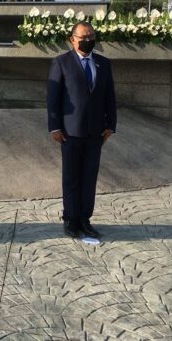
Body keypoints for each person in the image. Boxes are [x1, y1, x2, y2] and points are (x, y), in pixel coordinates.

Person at [47, 21, 116, 239]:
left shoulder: (103, 64)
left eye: (91, 36)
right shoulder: (61, 62)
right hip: (70, 131)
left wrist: (110, 125)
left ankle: (85, 219)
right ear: (72, 39)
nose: (88, 40)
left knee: (89, 176)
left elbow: (109, 96)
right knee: (71, 177)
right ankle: (70, 219)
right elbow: (53, 97)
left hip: (95, 132)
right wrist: (55, 127)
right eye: (83, 37)